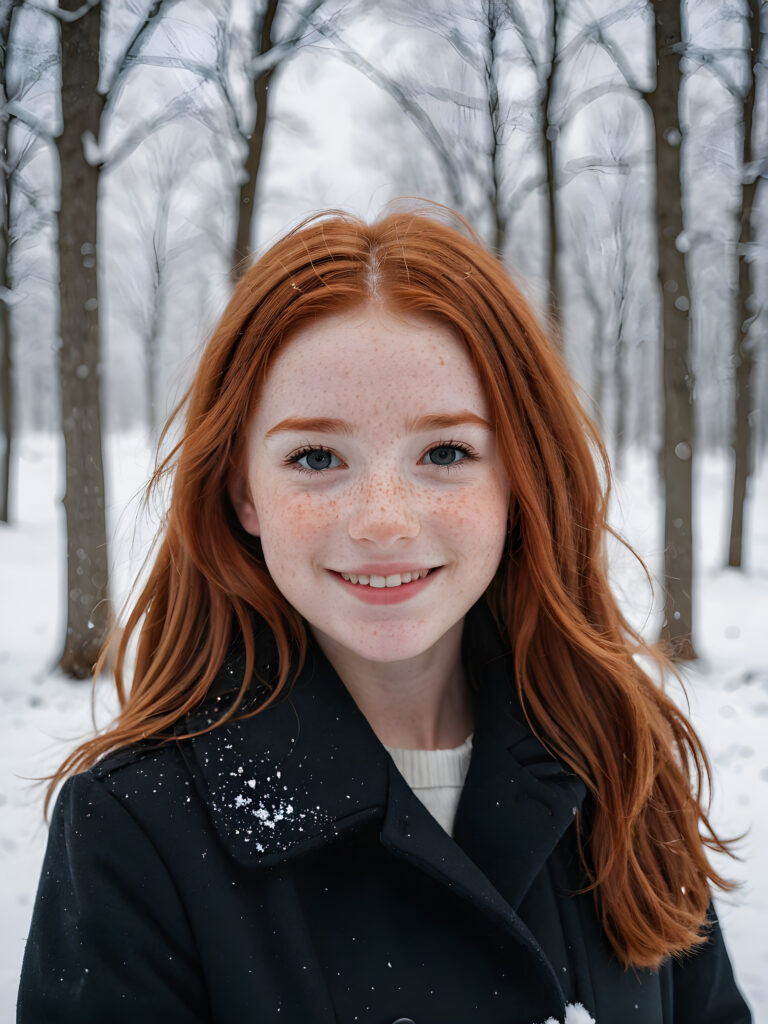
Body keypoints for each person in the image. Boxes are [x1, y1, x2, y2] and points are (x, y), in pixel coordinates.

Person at [18, 207, 751, 1024]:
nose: (383, 520)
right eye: (316, 457)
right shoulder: (133, 831)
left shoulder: (620, 759)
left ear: (519, 480)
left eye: (445, 453)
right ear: (241, 491)